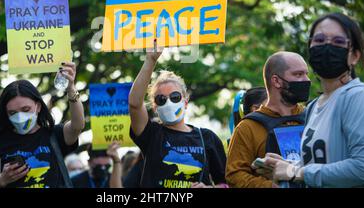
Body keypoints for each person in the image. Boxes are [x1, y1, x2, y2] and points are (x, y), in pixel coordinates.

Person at [264, 13, 364, 187]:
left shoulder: (358, 97)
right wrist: (286, 166)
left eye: (338, 42)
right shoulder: (314, 106)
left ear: (355, 56)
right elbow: (321, 166)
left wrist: (295, 172)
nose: (327, 46)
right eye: (319, 40)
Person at [128, 43, 227, 188]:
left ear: (185, 102)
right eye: (161, 99)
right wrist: (150, 60)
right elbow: (135, 104)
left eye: (174, 97)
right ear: (155, 107)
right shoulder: (152, 134)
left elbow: (226, 183)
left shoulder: (207, 138)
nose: (168, 102)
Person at [0, 62, 85, 188]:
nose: (20, 117)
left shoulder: (55, 135)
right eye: (12, 112)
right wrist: (1, 181)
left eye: (26, 109)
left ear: (38, 107)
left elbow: (78, 125)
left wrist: (71, 88)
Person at [226, 51, 310, 188]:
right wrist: (270, 186)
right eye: (298, 74)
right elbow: (235, 175)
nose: (306, 80)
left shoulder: (314, 117)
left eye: (306, 74)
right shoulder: (247, 127)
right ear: (276, 81)